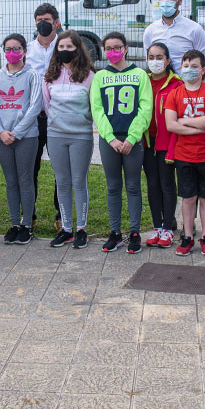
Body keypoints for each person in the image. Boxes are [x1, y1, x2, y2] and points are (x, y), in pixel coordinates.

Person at [90, 32, 153, 254]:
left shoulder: (139, 75)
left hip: (132, 141)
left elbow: (145, 108)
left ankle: (134, 232)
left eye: (117, 47)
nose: (113, 52)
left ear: (126, 48)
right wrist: (110, 138)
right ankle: (115, 232)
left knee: (133, 186)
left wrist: (132, 137)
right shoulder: (100, 77)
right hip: (110, 141)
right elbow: (97, 109)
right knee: (113, 186)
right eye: (108, 48)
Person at [164, 49, 205, 256]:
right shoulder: (175, 94)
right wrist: (198, 128)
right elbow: (171, 125)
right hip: (184, 155)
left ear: (203, 70)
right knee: (188, 198)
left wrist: (185, 121)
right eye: (186, 66)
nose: (190, 69)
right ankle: (187, 236)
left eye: (195, 66)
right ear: (181, 68)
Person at [43, 31, 95, 249]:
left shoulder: (89, 76)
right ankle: (66, 229)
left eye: (69, 47)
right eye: (61, 47)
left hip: (81, 136)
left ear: (78, 49)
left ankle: (81, 229)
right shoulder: (49, 76)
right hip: (56, 135)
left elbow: (93, 106)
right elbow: (47, 105)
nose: (65, 51)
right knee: (62, 182)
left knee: (79, 181)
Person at [0, 33, 43, 245]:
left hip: (26, 136)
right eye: (8, 49)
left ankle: (27, 225)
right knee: (11, 181)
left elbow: (35, 106)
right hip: (3, 137)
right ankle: (14, 224)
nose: (12, 53)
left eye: (17, 49)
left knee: (25, 179)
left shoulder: (33, 75)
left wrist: (17, 132)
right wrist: (0, 131)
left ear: (24, 51)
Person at [27, 3, 63, 232]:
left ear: (56, 22)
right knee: (31, 168)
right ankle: (29, 216)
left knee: (61, 169)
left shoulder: (65, 46)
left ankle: (61, 216)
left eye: (47, 20)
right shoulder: (27, 49)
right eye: (39, 20)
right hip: (33, 118)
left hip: (58, 118)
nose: (43, 23)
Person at [143, 42, 183, 248]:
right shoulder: (143, 80)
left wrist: (173, 147)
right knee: (152, 184)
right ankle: (157, 226)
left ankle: (168, 228)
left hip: (167, 143)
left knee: (167, 184)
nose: (155, 61)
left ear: (168, 60)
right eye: (151, 57)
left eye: (159, 57)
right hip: (146, 142)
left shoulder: (177, 84)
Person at [143, 0, 205, 71]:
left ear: (180, 0)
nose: (166, 0)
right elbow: (149, 62)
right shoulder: (150, 31)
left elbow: (204, 66)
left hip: (184, 80)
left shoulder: (195, 29)